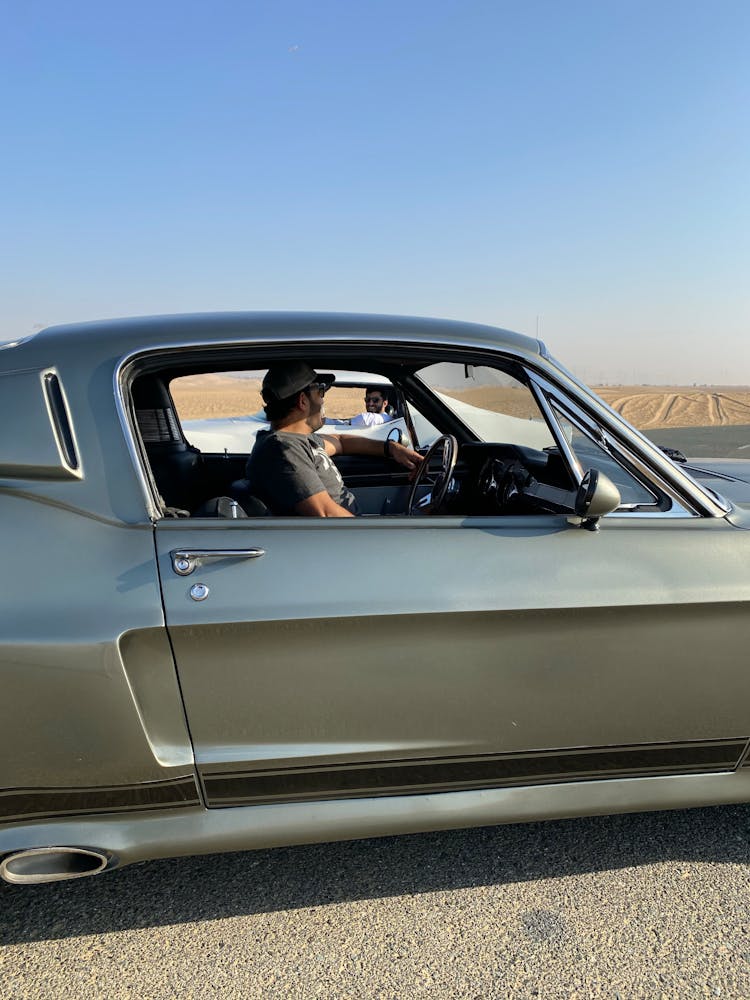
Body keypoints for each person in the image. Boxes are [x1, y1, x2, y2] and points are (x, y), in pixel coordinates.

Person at [246, 361, 422, 517]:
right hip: (348, 538)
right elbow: (326, 513)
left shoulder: (299, 440)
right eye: (320, 392)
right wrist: (374, 540)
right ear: (303, 401)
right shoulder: (283, 450)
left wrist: (391, 448)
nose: (323, 401)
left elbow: (341, 442)